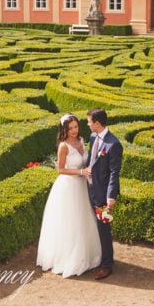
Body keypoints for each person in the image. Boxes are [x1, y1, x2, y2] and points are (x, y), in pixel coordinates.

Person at [36, 113, 101, 278]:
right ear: (64, 129)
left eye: (76, 127)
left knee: (84, 220)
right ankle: (69, 258)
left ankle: (86, 255)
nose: (74, 130)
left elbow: (87, 160)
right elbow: (61, 170)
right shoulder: (63, 146)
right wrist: (81, 171)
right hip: (68, 188)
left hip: (82, 186)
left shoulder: (81, 140)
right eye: (70, 128)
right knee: (71, 222)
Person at [84, 108, 123, 280]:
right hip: (90, 189)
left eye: (89, 122)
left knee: (104, 228)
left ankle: (107, 265)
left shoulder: (114, 144)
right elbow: (92, 160)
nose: (87, 124)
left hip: (102, 195)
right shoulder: (93, 137)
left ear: (97, 123)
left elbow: (115, 173)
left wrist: (110, 197)